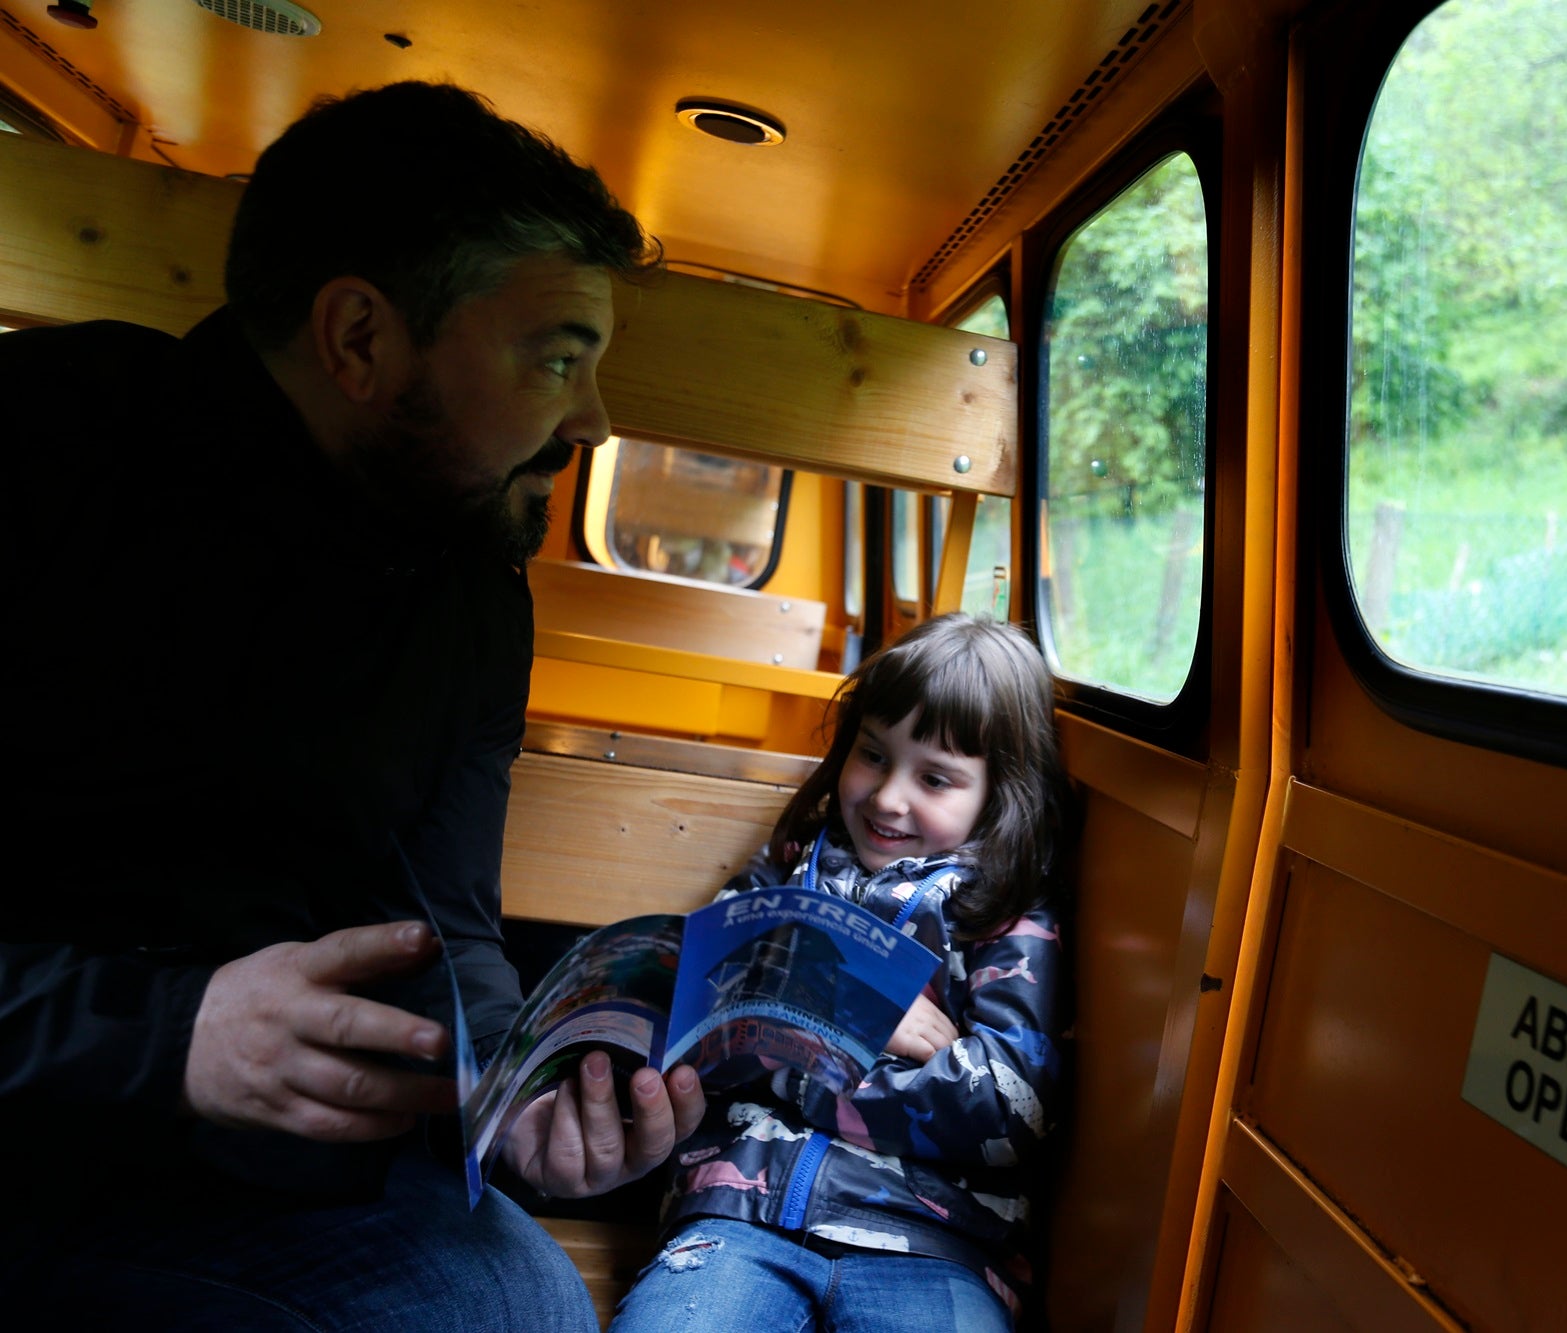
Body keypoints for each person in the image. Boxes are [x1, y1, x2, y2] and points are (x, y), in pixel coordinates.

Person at [0, 81, 705, 1327]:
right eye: (557, 357)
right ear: (361, 338)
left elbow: (451, 921)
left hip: (248, 1182)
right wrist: (165, 1034)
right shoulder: (39, 445)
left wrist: (519, 1102)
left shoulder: (470, 584)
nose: (591, 420)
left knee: (516, 1306)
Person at [609, 612, 1073, 1333]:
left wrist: (787, 1049)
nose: (889, 798)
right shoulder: (786, 871)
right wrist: (860, 1014)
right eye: (874, 755)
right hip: (739, 1217)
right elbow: (699, 1027)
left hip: (932, 1241)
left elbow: (1009, 1107)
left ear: (997, 795)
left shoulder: (1007, 916)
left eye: (937, 778)